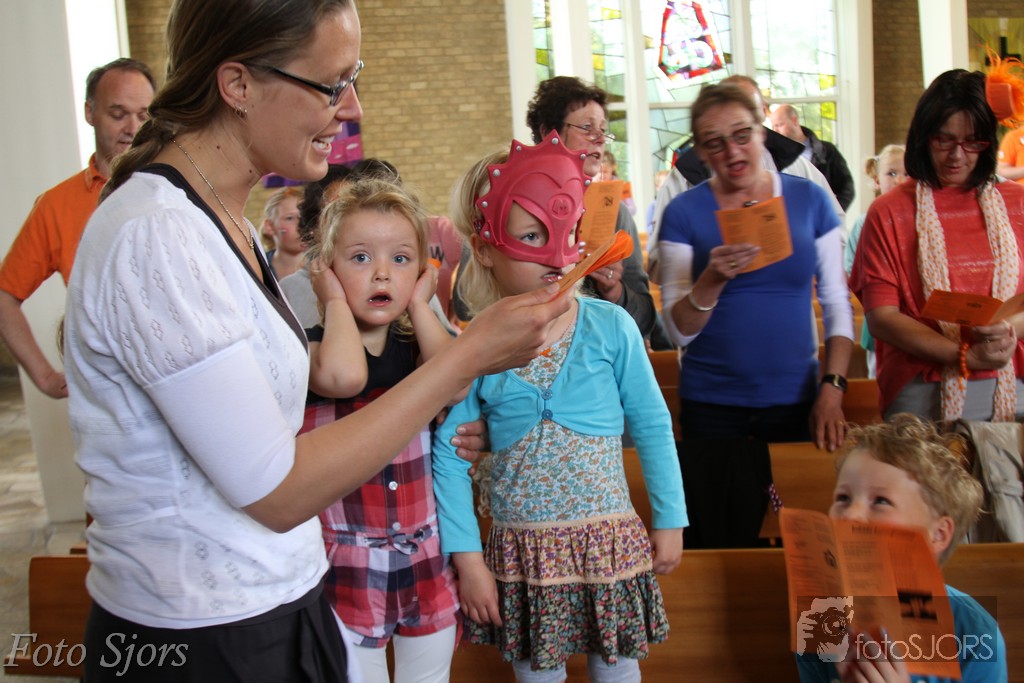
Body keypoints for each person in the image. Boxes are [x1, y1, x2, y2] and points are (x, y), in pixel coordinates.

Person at [62, 1, 571, 680]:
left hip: (282, 600)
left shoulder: (222, 220)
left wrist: (426, 422)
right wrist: (466, 359)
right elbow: (276, 490)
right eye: (332, 85)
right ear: (238, 84)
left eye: (351, 81)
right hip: (202, 635)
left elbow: (257, 394)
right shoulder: (157, 233)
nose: (351, 108)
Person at [433, 132, 686, 683]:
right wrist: (468, 559)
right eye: (531, 236)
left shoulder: (611, 326)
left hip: (606, 545)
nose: (557, 253)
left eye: (570, 233)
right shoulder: (477, 345)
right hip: (526, 557)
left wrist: (670, 518)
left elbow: (651, 423)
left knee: (616, 672)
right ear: (485, 248)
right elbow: (449, 456)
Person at [657, 82, 853, 547]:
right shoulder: (684, 212)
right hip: (712, 403)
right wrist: (712, 279)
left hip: (795, 399)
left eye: (742, 134)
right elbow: (677, 332)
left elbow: (836, 303)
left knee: (801, 541)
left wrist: (832, 389)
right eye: (714, 142)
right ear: (701, 151)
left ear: (762, 132)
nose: (732, 151)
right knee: (716, 540)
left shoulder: (809, 200)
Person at [301, 177, 460, 683]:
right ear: (326, 268)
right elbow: (345, 377)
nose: (382, 274)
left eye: (401, 259)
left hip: (424, 559)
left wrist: (420, 304)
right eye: (360, 258)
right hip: (346, 566)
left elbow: (454, 382)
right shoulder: (309, 348)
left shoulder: (419, 347)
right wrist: (332, 301)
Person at [850, 69, 1024, 423]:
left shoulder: (1018, 202)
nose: (957, 156)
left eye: (973, 142)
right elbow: (882, 317)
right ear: (923, 136)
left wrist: (1009, 330)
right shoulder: (889, 211)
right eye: (944, 140)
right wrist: (962, 356)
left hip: (1013, 381)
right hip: (922, 389)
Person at [796, 413, 1007, 683]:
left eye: (881, 501)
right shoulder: (822, 615)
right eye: (843, 498)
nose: (850, 515)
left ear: (938, 534)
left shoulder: (976, 637)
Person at [0, 58, 154, 399]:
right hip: (109, 399)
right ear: (90, 112)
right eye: (118, 114)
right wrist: (44, 377)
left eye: (143, 115)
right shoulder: (57, 205)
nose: (132, 128)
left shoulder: (179, 189)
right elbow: (4, 296)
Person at [647, 74, 844, 284]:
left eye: (745, 125)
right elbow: (657, 262)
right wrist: (707, 261)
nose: (734, 148)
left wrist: (799, 246)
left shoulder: (797, 168)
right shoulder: (685, 176)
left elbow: (836, 233)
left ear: (762, 116)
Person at [524, 75, 673, 350]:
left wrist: (613, 289)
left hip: (595, 353)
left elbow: (644, 320)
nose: (600, 139)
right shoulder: (514, 204)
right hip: (526, 350)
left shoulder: (614, 213)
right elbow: (466, 303)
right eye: (587, 127)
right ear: (547, 132)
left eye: (603, 130)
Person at [843, 144, 907, 379]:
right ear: (876, 180)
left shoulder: (924, 219)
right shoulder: (865, 222)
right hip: (880, 318)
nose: (899, 180)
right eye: (891, 173)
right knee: (880, 379)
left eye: (907, 173)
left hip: (917, 321)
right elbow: (852, 270)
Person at [770, 103, 856, 211]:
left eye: (779, 125)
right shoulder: (775, 156)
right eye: (773, 127)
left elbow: (847, 188)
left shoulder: (828, 151)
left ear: (794, 120)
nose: (775, 131)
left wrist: (833, 213)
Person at [261, 186, 305, 280]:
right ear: (269, 226)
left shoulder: (324, 266)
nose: (301, 225)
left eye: (304, 217)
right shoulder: (258, 267)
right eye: (290, 218)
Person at [598, 149, 636, 215]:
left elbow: (633, 209)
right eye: (599, 172)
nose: (602, 175)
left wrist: (618, 209)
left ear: (613, 167)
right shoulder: (592, 186)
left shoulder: (623, 186)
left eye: (605, 172)